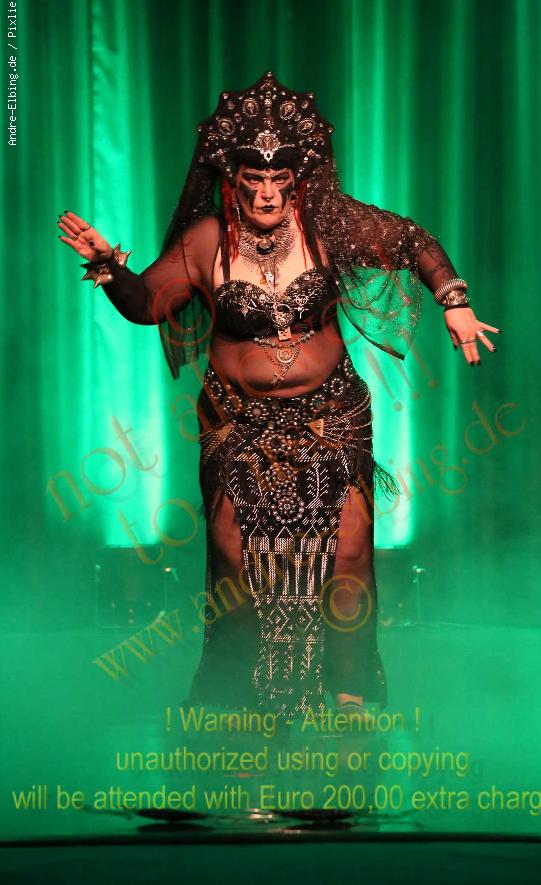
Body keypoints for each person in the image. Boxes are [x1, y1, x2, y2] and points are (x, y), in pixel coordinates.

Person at [58, 72, 499, 721]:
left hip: (332, 415)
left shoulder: (329, 225)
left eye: (278, 178)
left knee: (348, 552)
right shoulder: (208, 239)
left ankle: (349, 691)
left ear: (297, 179)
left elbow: (412, 242)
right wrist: (110, 266)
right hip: (238, 422)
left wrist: (453, 300)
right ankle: (241, 693)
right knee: (234, 558)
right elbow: (147, 305)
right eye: (253, 179)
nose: (266, 192)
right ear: (232, 179)